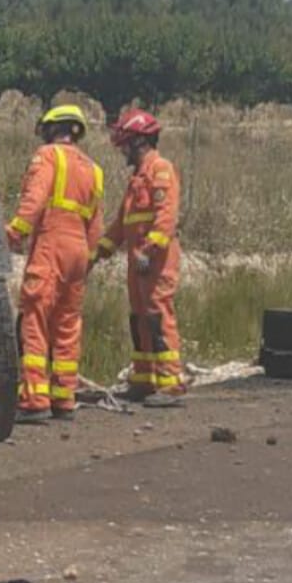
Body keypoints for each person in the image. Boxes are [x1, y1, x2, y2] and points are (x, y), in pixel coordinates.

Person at [6, 104, 104, 424]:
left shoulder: (48, 156)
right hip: (79, 252)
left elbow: (34, 200)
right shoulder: (94, 169)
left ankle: (34, 399)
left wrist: (14, 233)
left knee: (34, 317)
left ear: (52, 129)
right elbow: (95, 224)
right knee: (67, 323)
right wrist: (88, 259)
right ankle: (64, 397)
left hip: (52, 244)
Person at [96, 108, 184, 404]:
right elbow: (122, 223)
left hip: (156, 261)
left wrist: (149, 250)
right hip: (138, 262)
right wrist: (100, 250)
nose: (122, 151)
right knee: (139, 318)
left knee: (157, 316)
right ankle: (144, 378)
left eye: (125, 144)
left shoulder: (160, 169)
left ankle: (170, 383)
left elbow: (166, 216)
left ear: (139, 142)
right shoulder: (137, 179)